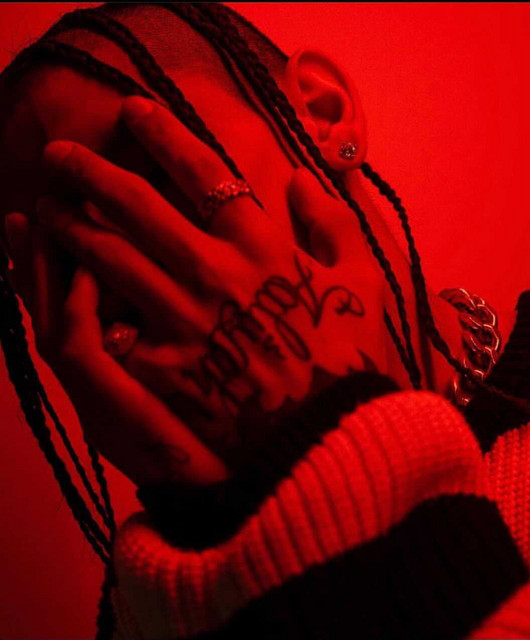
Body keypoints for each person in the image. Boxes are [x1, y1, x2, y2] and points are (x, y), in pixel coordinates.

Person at [1, 3, 529, 638]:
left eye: (148, 177)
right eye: (60, 259)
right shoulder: (154, 605)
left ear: (321, 115)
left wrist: (326, 439)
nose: (120, 274)